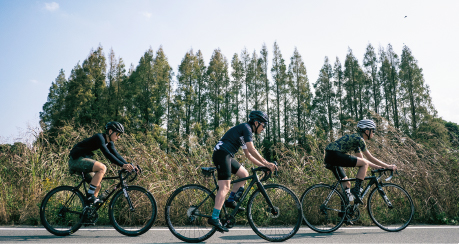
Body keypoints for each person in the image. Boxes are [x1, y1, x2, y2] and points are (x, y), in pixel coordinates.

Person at [208, 111, 278, 232]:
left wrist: (264, 166)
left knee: (244, 174)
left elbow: (248, 155)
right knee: (225, 187)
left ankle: (230, 201)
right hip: (222, 154)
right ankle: (214, 218)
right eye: (263, 125)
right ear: (256, 123)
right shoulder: (247, 128)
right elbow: (251, 149)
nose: (263, 129)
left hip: (227, 155)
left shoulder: (245, 131)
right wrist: (267, 163)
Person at [324, 119, 397, 204]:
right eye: (373, 131)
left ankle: (344, 212)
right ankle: (356, 190)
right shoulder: (359, 139)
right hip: (334, 155)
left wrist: (378, 167)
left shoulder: (356, 140)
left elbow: (363, 160)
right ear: (367, 131)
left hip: (330, 156)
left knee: (346, 184)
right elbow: (369, 157)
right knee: (364, 164)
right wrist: (388, 166)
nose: (374, 133)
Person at [68, 121, 136, 204]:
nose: (118, 137)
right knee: (102, 167)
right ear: (110, 131)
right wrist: (122, 165)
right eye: (118, 134)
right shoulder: (99, 137)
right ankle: (90, 197)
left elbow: (116, 154)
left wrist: (129, 165)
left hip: (83, 160)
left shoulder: (110, 143)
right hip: (76, 159)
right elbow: (107, 153)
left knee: (97, 186)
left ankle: (88, 210)